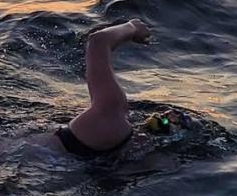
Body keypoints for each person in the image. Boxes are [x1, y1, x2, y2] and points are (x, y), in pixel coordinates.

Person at [33, 18, 172, 160]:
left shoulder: (112, 116)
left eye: (160, 120)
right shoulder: (125, 164)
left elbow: (98, 41)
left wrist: (133, 27)